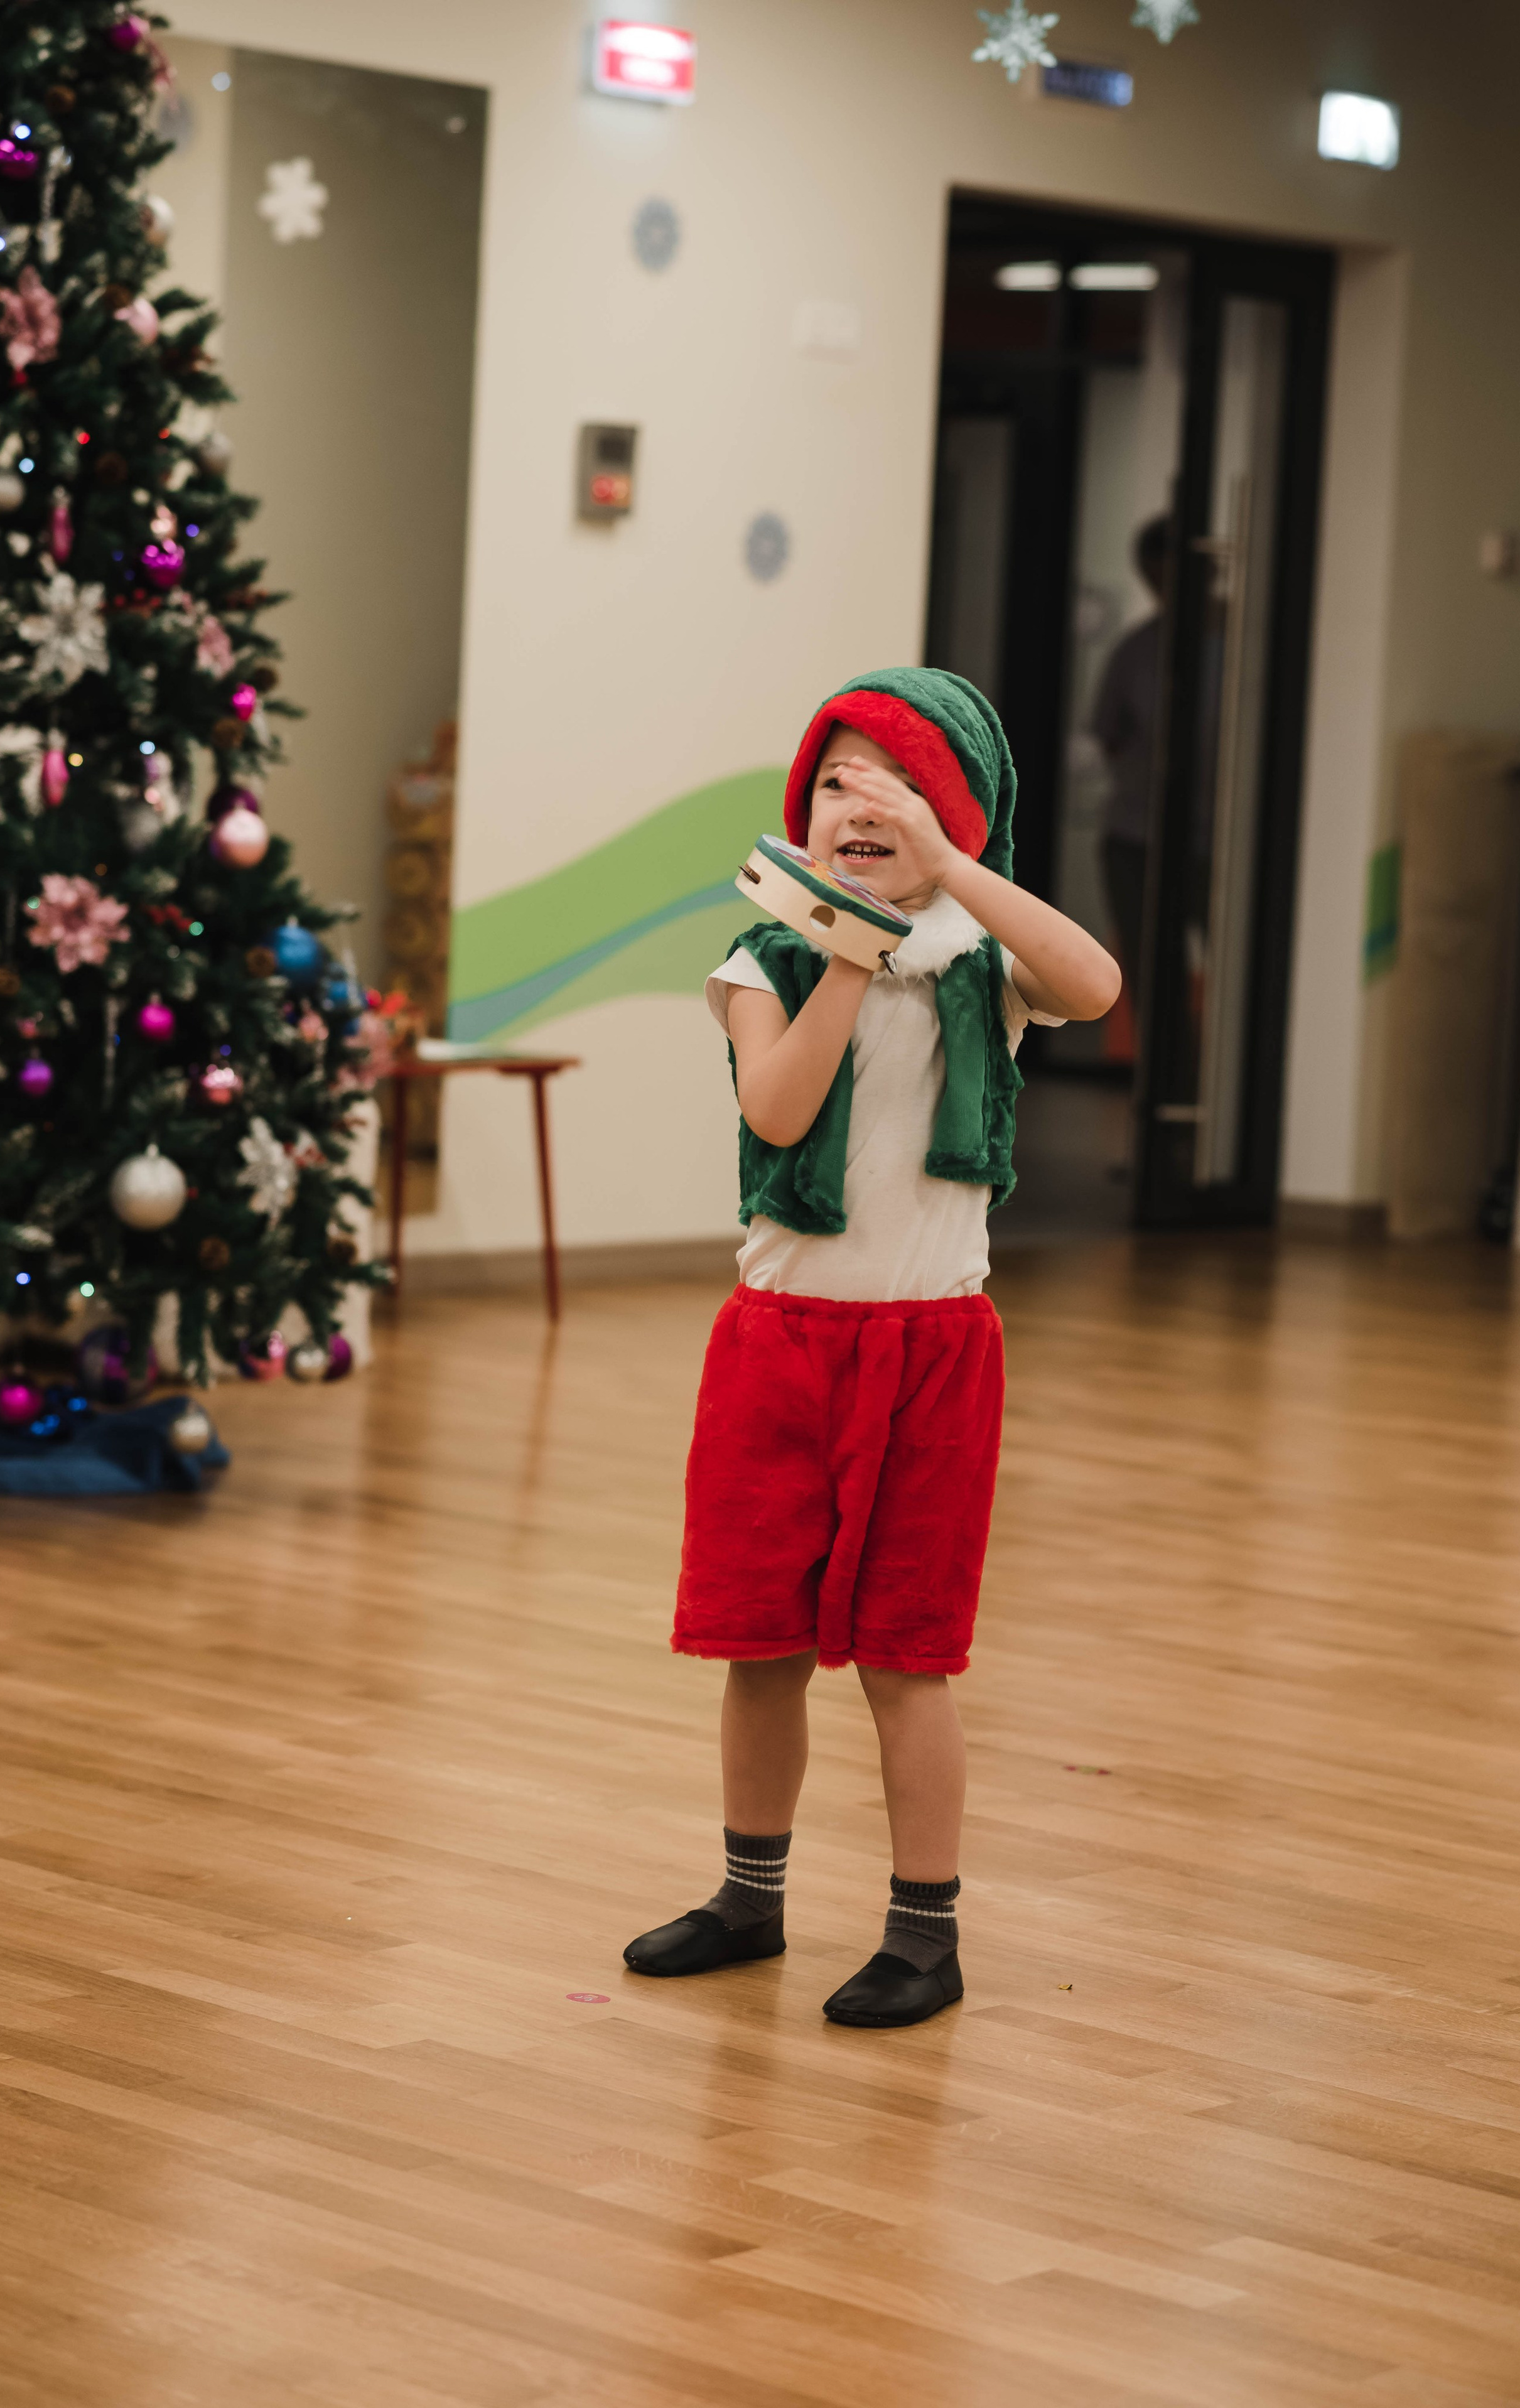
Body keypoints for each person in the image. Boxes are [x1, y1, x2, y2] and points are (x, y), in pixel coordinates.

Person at [623, 669, 1120, 2027]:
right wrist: (844, 945)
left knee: (909, 1653)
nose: (857, 800)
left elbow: (1093, 981)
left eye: (891, 780)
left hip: (933, 1350)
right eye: (834, 778)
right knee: (758, 1641)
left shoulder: (982, 953)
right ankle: (747, 1896)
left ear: (950, 809)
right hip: (778, 1344)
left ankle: (922, 1931)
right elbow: (779, 1117)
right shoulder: (758, 961)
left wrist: (952, 869)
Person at [1089, 514, 1170, 1010]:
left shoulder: (1243, 647)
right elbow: (1108, 734)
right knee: (1149, 974)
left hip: (1220, 840)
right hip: (1135, 832)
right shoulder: (1136, 651)